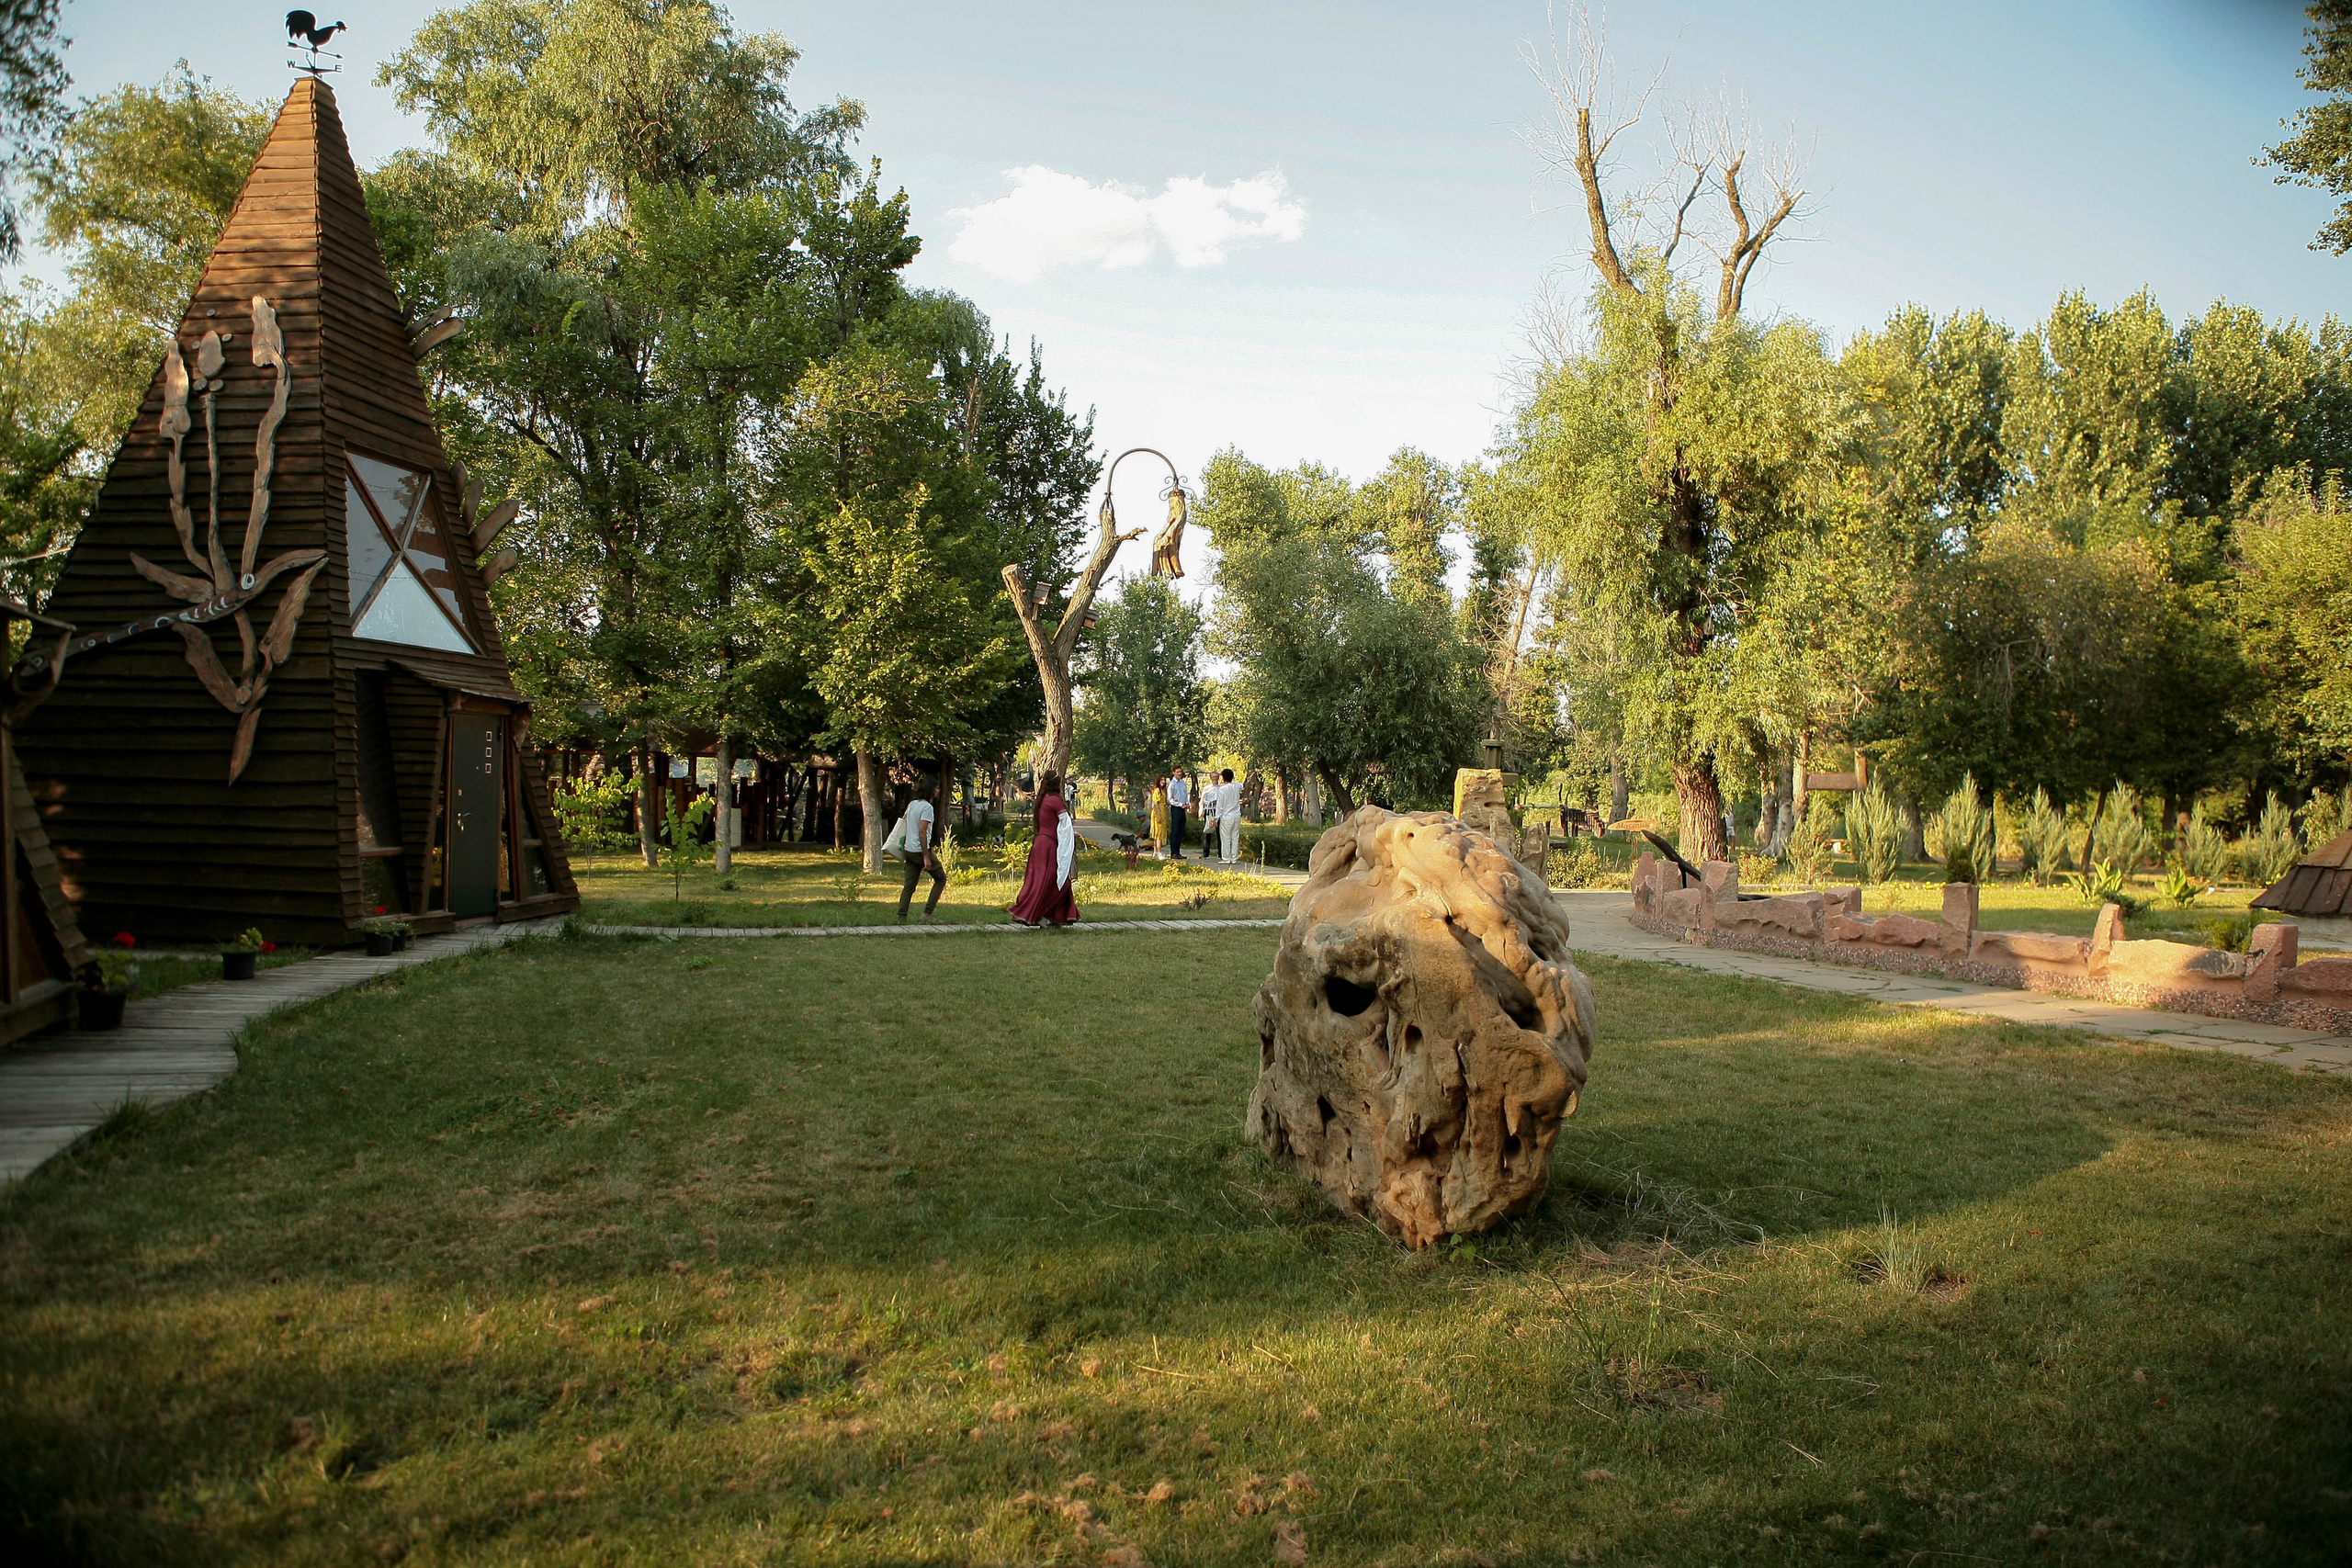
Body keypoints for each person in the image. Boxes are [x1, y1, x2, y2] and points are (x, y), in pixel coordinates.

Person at [1010, 770, 1079, 926]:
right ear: (1058, 784)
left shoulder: (1044, 799)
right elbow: (1064, 825)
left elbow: (1058, 825)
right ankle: (1037, 915)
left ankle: (1054, 916)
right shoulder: (1055, 800)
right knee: (1050, 881)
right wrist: (1070, 835)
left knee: (1043, 881)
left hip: (1040, 843)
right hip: (1048, 846)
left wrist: (1072, 833)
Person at [894, 783, 946, 922]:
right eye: (936, 787)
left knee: (909, 886)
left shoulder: (912, 804)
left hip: (908, 849)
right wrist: (926, 857)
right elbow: (922, 831)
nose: (938, 789)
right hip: (919, 850)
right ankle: (927, 913)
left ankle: (901, 917)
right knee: (941, 878)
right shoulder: (927, 808)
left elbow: (904, 821)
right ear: (931, 791)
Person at [1213, 767, 1243, 865]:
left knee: (1226, 838)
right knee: (1235, 836)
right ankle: (1234, 858)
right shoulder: (1237, 786)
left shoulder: (1222, 789)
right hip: (1237, 815)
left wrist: (1215, 819)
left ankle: (1226, 858)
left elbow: (1219, 806)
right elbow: (1241, 785)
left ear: (1223, 778)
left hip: (1226, 816)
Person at [1167, 770, 1191, 860]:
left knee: (1181, 830)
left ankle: (1178, 851)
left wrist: (1187, 803)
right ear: (1173, 773)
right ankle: (1173, 852)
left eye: (1180, 772)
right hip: (1176, 808)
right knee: (1175, 830)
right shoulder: (1172, 784)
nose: (1179, 773)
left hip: (1183, 808)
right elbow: (1170, 799)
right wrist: (1181, 804)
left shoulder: (1182, 783)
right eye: (1177, 772)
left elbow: (1185, 795)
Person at [1148, 775, 1170, 860]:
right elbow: (1156, 803)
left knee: (1159, 833)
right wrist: (1159, 815)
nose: (1163, 781)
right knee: (1158, 833)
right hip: (1158, 812)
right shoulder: (1157, 790)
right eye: (1161, 780)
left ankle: (1156, 852)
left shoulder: (1163, 790)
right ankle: (1158, 852)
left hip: (1163, 810)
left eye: (1164, 780)